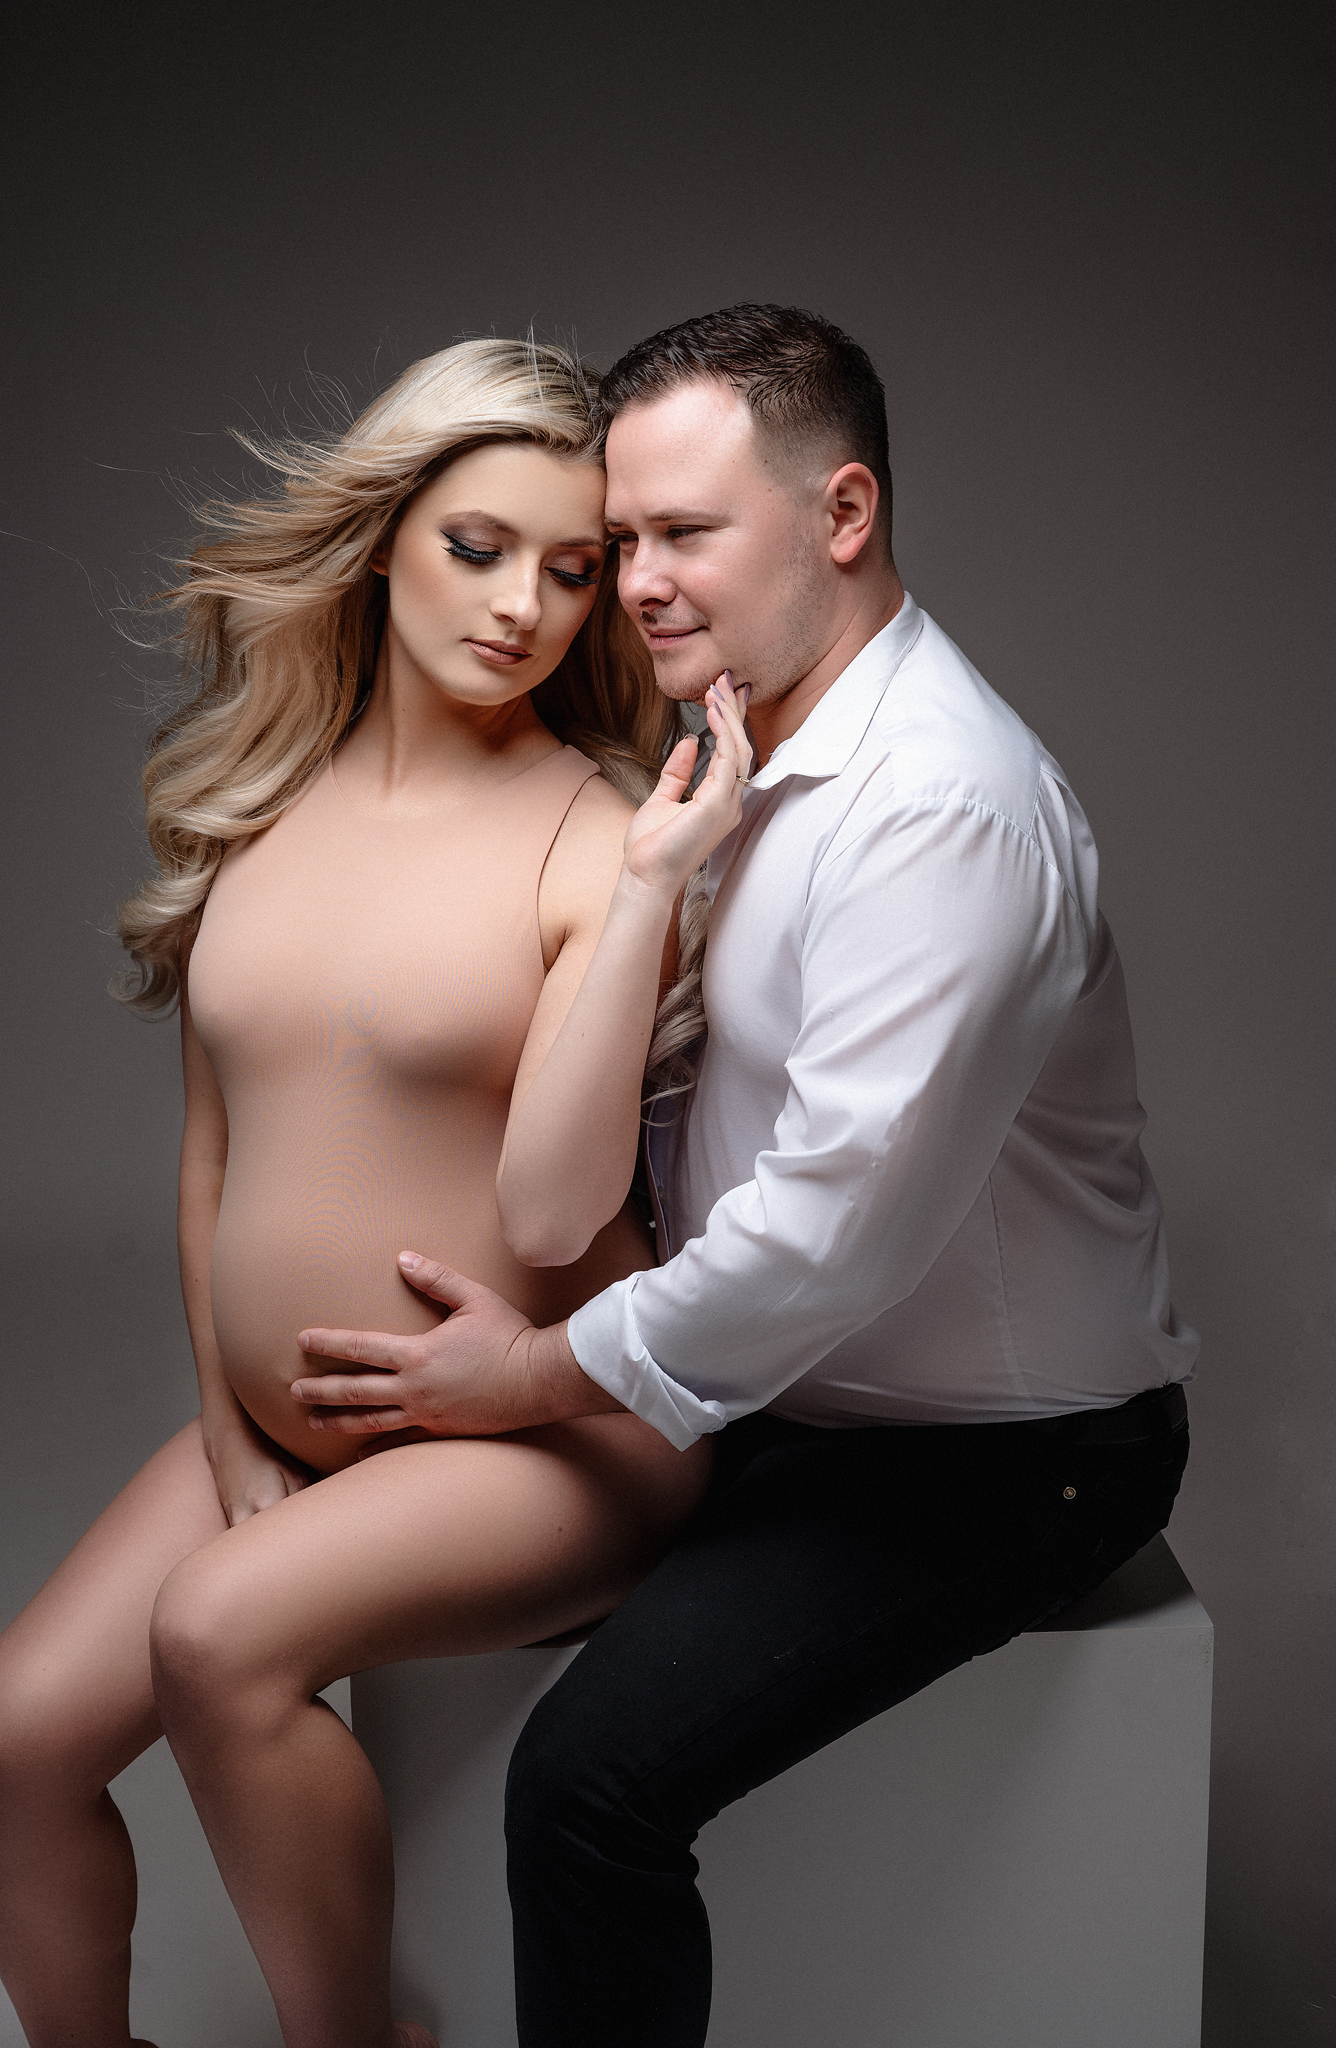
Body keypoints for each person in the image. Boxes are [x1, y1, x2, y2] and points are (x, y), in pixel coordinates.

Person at [293, 304, 1200, 2048]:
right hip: (779, 1408)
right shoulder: (743, 748)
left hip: (1003, 1461)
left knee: (587, 1790)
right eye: (622, 538)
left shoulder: (944, 810)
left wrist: (525, 1375)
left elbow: (820, 1245)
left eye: (685, 534)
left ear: (843, 514)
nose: (634, 584)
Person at [0, 337, 756, 2048]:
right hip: (300, 1431)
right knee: (20, 1745)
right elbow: (214, 1151)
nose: (523, 608)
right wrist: (228, 1422)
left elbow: (560, 1208)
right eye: (479, 547)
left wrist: (649, 893)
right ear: (384, 536)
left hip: (549, 1438)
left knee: (216, 1636)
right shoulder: (262, 805)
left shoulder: (594, 837)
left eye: (574, 572)